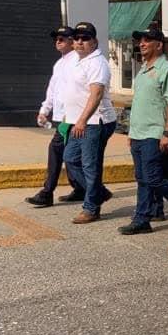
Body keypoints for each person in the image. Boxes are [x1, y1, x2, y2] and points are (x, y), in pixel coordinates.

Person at [118, 27, 168, 235]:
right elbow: (141, 103)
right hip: (138, 133)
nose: (142, 43)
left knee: (154, 177)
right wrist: (131, 133)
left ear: (159, 44)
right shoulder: (142, 69)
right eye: (141, 40)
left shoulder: (167, 69)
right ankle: (143, 218)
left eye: (148, 40)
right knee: (142, 178)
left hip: (155, 134)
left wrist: (167, 133)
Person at [61, 22, 117, 224]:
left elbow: (96, 93)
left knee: (90, 165)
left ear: (94, 41)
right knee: (71, 158)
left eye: (85, 38)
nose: (79, 42)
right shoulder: (77, 60)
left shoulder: (97, 62)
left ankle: (91, 208)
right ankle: (98, 193)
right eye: (76, 38)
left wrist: (83, 120)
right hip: (78, 122)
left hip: (94, 122)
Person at [25, 25, 83, 207]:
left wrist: (70, 114)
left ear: (72, 41)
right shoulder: (59, 64)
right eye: (56, 38)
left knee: (56, 150)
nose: (58, 41)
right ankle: (81, 188)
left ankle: (47, 192)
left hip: (71, 116)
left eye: (62, 38)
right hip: (62, 116)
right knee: (67, 154)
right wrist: (44, 110)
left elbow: (77, 91)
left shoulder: (77, 61)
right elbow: (53, 89)